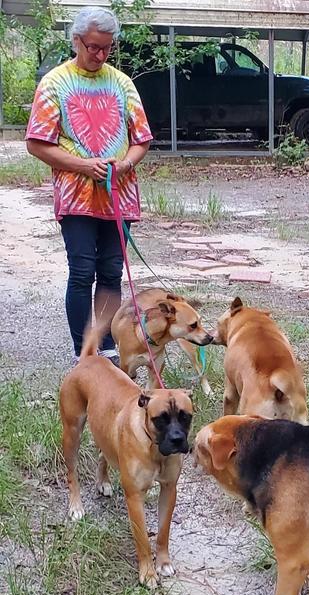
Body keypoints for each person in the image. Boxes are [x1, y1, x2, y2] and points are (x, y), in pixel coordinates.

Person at [26, 6, 152, 365]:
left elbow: (141, 138)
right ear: (76, 41)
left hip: (118, 195)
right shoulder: (54, 83)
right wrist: (84, 166)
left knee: (111, 270)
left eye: (107, 48)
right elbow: (37, 142)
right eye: (93, 47)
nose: (100, 55)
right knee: (82, 270)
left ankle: (107, 346)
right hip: (76, 196)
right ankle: (83, 352)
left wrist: (126, 162)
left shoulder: (122, 83)